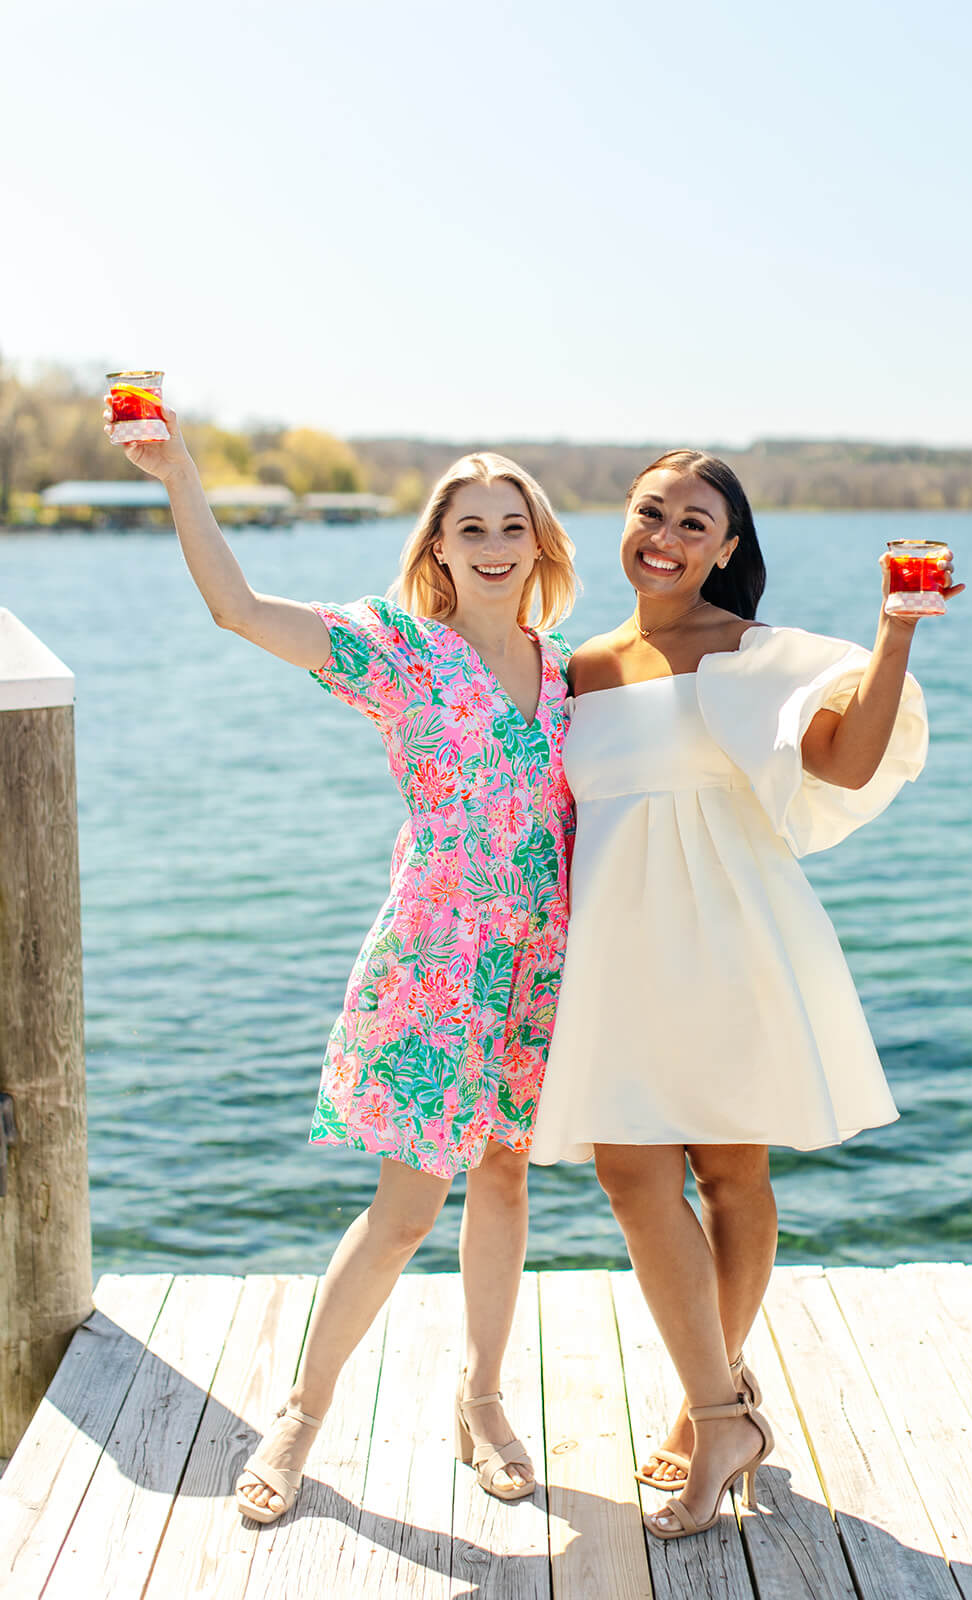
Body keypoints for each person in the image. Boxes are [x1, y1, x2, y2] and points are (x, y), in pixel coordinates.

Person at [106, 403, 578, 1521]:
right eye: (473, 528)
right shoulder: (400, 650)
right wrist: (179, 473)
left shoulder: (568, 671)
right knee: (408, 1208)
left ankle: (485, 1396)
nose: (496, 544)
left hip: (537, 965)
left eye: (514, 524)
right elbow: (236, 609)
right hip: (436, 958)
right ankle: (301, 1417)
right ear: (439, 549)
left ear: (541, 544)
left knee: (505, 1176)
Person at [529, 449, 961, 1541]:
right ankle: (727, 1407)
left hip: (728, 940)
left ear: (728, 546)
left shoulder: (753, 653)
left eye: (695, 520)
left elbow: (851, 764)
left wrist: (895, 633)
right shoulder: (576, 666)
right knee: (631, 1175)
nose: (665, 533)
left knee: (728, 1174)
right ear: (625, 523)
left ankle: (704, 1409)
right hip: (617, 951)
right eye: (650, 510)